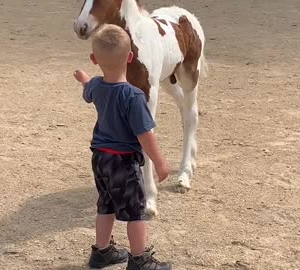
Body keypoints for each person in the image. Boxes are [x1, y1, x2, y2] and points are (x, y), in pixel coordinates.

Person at [73, 24, 171, 270]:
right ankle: (139, 260)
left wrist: (84, 78)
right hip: (123, 161)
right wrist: (159, 162)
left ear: (94, 59)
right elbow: (144, 134)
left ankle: (102, 252)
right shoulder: (133, 96)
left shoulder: (96, 86)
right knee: (136, 212)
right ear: (130, 57)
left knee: (105, 205)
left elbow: (89, 90)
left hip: (100, 158)